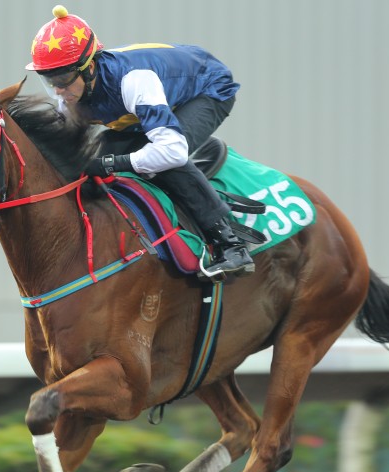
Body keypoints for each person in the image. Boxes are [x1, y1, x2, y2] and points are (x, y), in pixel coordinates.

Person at [25, 5, 254, 279]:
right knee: (93, 159)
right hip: (152, 101)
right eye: (49, 80)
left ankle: (230, 245)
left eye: (63, 78)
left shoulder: (134, 81)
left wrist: (111, 163)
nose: (58, 90)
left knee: (163, 162)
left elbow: (172, 152)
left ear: (90, 68)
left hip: (207, 89)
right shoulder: (70, 96)